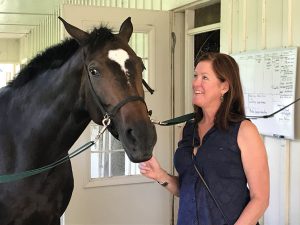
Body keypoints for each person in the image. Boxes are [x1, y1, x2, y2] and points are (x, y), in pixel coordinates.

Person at [139, 52, 269, 225]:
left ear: (224, 87)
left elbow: (260, 199)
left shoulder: (244, 131)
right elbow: (188, 188)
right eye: (195, 76)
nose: (195, 83)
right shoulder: (187, 129)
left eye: (204, 77)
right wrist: (160, 175)